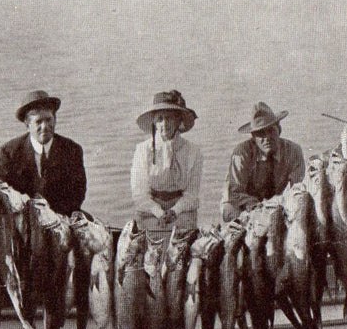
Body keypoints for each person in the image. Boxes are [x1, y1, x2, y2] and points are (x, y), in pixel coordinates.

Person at [0, 89, 86, 216]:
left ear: (55, 119)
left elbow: (77, 193)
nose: (45, 126)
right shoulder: (7, 153)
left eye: (48, 120)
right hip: (20, 219)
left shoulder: (72, 150)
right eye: (38, 122)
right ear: (27, 123)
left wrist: (53, 219)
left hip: (61, 217)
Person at [130, 90, 203, 234]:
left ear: (178, 120)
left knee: (182, 242)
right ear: (154, 123)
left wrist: (174, 211)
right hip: (150, 209)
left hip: (182, 209)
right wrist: (159, 213)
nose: (165, 124)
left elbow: (192, 195)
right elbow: (140, 195)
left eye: (170, 118)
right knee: (151, 242)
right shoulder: (142, 150)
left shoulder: (193, 151)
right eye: (160, 119)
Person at [220, 102, 306, 222]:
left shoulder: (293, 151)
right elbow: (235, 192)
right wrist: (257, 207)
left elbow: (297, 187)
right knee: (230, 210)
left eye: (271, 131)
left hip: (274, 200)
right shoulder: (242, 153)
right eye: (260, 133)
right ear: (253, 137)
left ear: (279, 130)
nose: (267, 138)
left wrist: (281, 203)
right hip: (243, 202)